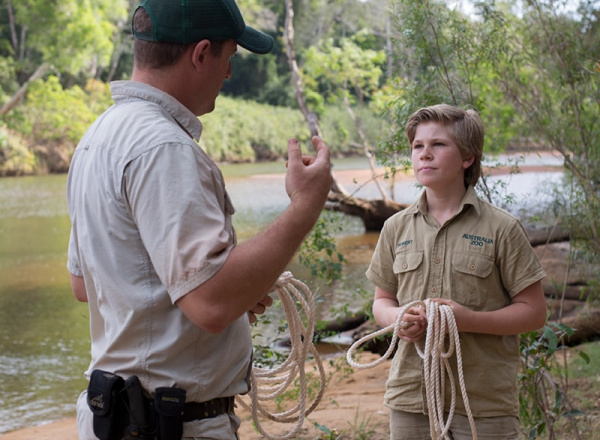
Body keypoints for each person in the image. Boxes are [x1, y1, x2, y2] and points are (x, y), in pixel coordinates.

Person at [66, 0, 332, 438]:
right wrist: (305, 206)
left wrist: (227, 296)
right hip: (169, 425)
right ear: (201, 53)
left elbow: (86, 285)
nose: (228, 74)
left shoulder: (97, 138)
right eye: (228, 59)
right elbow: (210, 304)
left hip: (112, 419)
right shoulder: (164, 148)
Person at [366, 104, 547, 440]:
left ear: (467, 158)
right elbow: (381, 302)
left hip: (482, 402)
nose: (425, 155)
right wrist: (398, 319)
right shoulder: (395, 228)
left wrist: (466, 319)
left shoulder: (502, 228)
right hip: (410, 396)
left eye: (438, 145)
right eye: (418, 146)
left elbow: (534, 313)